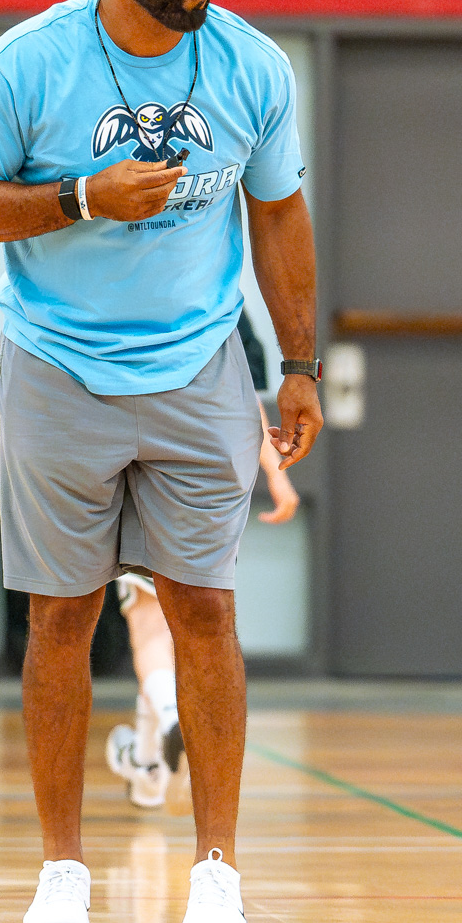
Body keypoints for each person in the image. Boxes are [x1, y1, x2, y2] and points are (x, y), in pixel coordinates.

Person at [0, 0, 322, 923]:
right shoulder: (32, 64)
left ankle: (217, 876)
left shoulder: (251, 65)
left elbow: (280, 215)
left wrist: (297, 364)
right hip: (56, 366)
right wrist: (76, 197)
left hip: (199, 369)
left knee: (206, 608)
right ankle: (63, 873)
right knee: (62, 617)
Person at [105, 314, 300, 809]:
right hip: (207, 485)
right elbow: (245, 398)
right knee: (186, 627)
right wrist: (277, 476)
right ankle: (148, 766)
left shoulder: (131, 312)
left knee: (148, 626)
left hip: (136, 466)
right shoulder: (221, 312)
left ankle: (172, 715)